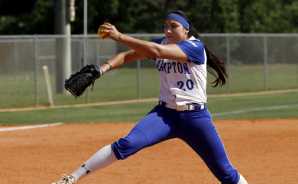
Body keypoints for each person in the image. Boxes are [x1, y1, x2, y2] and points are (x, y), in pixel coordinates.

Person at [52, 10, 248, 184]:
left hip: (196, 118)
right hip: (165, 116)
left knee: (226, 173)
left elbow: (158, 52)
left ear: (186, 30)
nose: (168, 30)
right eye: (166, 26)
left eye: (174, 26)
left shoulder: (194, 47)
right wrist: (101, 70)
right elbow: (125, 56)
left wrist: (119, 35)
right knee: (125, 144)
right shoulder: (161, 43)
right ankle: (71, 179)